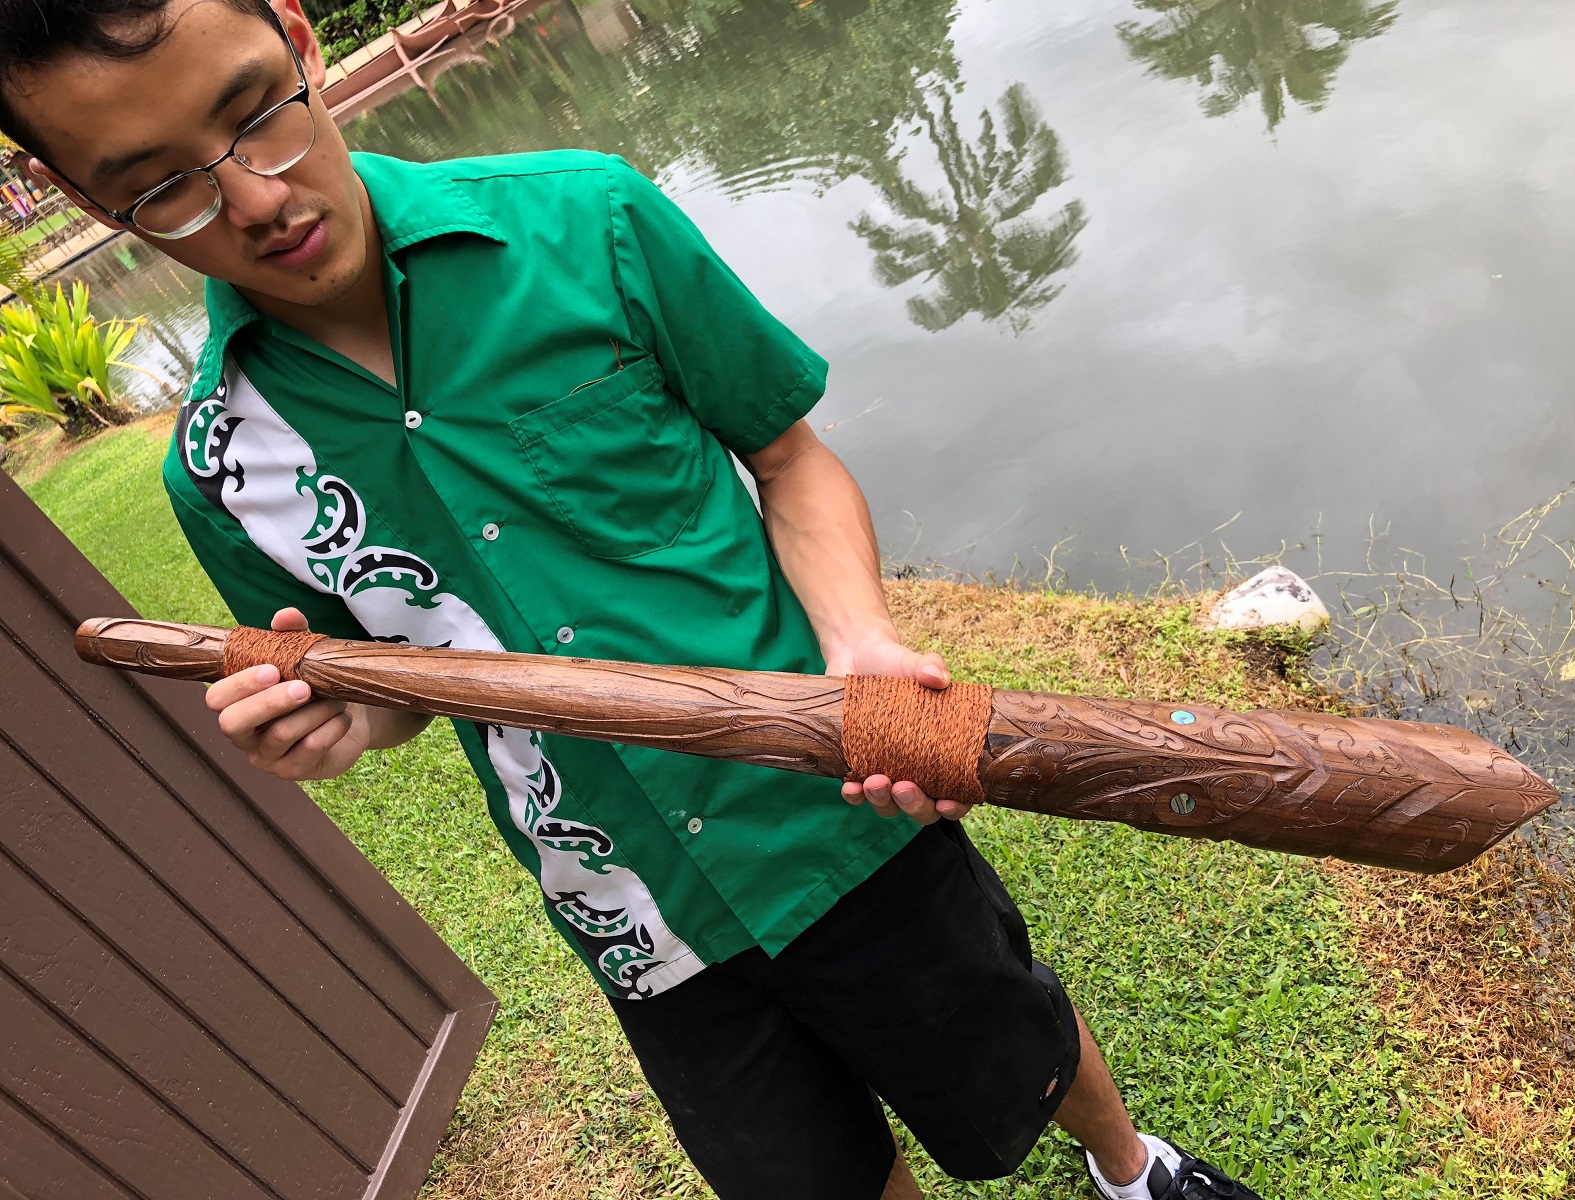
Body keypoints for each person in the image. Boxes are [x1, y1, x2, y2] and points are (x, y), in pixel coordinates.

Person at [0, 2, 1262, 1196]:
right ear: (87, 199)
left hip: (828, 811)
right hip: (627, 911)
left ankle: (1131, 1168)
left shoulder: (589, 217)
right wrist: (339, 723)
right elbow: (396, 688)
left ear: (295, 36)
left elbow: (788, 459)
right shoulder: (220, 468)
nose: (256, 201)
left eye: (255, 115)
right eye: (161, 187)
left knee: (1011, 1043)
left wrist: (859, 637)